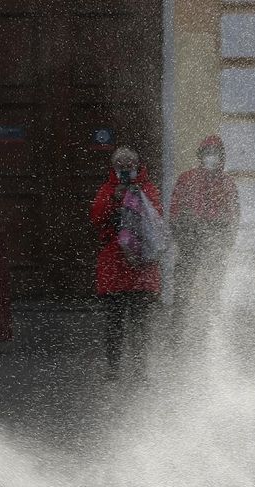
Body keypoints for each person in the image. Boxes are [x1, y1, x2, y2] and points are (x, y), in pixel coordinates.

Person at [89, 146, 163, 380]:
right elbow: (96, 217)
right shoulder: (107, 189)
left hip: (141, 268)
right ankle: (113, 368)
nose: (124, 169)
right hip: (115, 266)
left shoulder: (148, 189)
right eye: (119, 165)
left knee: (140, 323)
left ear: (137, 166)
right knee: (114, 322)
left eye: (129, 165)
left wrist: (136, 199)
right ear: (113, 167)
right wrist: (115, 198)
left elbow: (156, 219)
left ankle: (140, 369)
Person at [168, 135, 240, 342]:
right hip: (190, 241)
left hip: (215, 242)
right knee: (183, 287)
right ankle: (177, 331)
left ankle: (210, 332)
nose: (211, 157)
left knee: (213, 290)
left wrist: (226, 241)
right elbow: (175, 209)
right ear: (200, 156)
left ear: (221, 157)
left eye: (215, 154)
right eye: (208, 153)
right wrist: (182, 234)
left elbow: (234, 215)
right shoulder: (187, 179)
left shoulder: (227, 183)